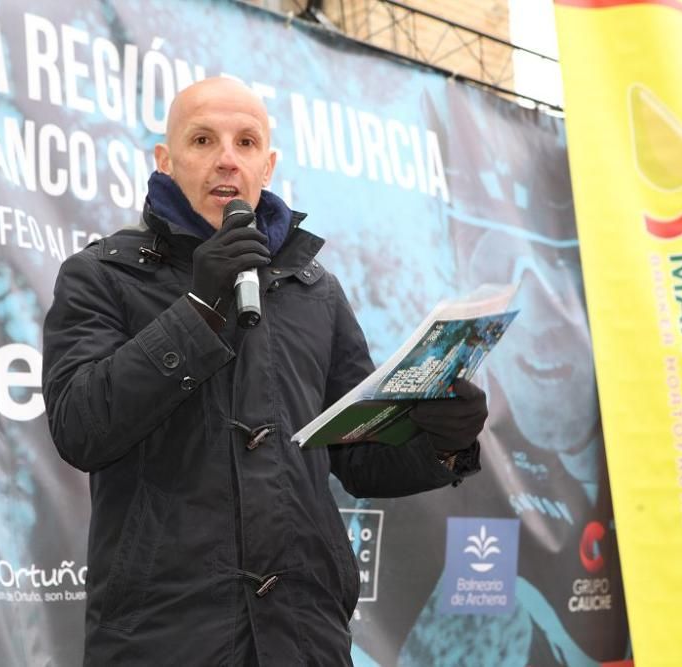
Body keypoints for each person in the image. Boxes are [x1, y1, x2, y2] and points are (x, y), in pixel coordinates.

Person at [41, 77, 488, 666]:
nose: (227, 159)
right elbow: (81, 426)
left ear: (268, 165)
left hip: (303, 639)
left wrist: (441, 437)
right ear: (165, 159)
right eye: (203, 139)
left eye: (246, 142)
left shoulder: (315, 290)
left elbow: (356, 454)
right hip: (162, 641)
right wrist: (199, 310)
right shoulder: (101, 275)